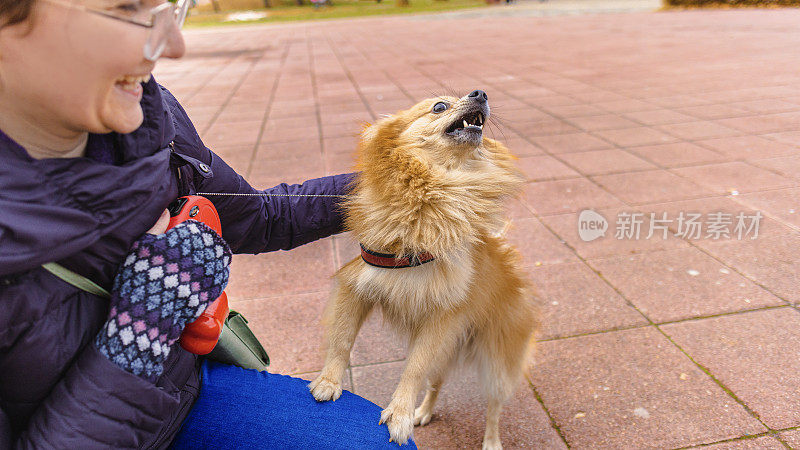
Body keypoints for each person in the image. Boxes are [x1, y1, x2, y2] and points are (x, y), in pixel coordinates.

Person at [0, 1, 416, 448]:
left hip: (181, 398)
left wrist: (395, 186)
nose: (175, 46)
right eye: (128, 8)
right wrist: (144, 330)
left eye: (170, 9)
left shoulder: (150, 121)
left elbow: (256, 216)